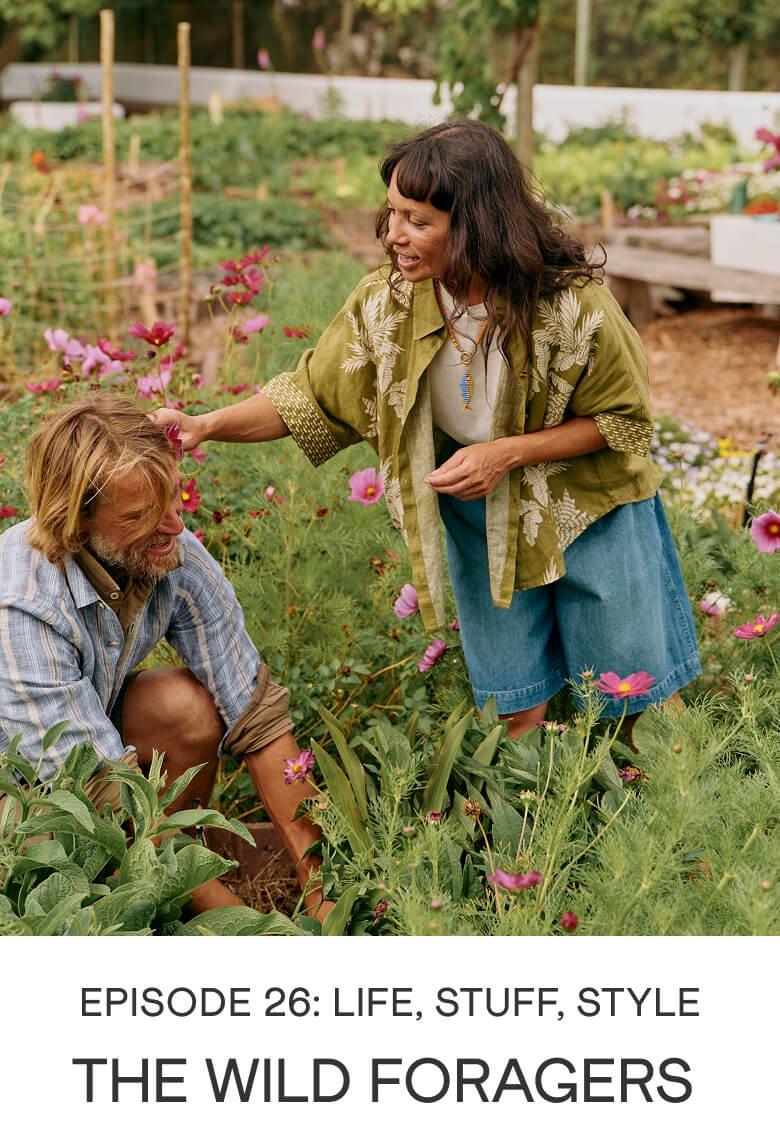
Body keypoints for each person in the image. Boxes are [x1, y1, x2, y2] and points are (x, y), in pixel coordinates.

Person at [152, 119, 701, 736]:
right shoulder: (385, 304)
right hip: (485, 516)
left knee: (637, 703)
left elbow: (623, 422)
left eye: (417, 221)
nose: (394, 236)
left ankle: (671, 824)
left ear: (473, 225)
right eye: (391, 214)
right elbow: (310, 397)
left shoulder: (571, 307)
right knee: (514, 705)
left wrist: (507, 452)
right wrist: (203, 425)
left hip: (592, 512)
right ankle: (524, 828)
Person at [0, 393, 327, 915]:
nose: (175, 525)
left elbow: (258, 719)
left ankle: (175, 877)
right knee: (54, 867)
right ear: (77, 520)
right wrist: (253, 932)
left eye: (174, 498)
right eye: (142, 515)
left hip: (90, 764)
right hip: (28, 794)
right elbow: (97, 792)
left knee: (185, 706)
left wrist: (326, 897)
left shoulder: (173, 553)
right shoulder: (22, 604)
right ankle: (173, 901)